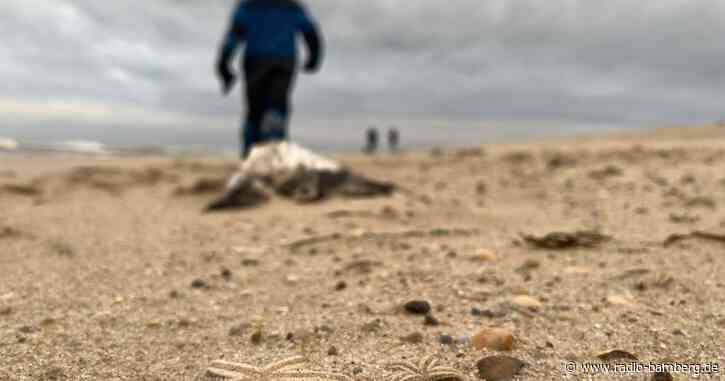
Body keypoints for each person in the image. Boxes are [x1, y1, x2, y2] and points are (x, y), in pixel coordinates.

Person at [216, 0, 323, 158]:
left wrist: (224, 64)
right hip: (284, 60)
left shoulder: (248, 6)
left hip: (255, 60)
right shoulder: (292, 7)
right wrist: (314, 56)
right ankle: (275, 147)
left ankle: (251, 152)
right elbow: (311, 33)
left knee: (255, 110)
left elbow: (233, 36)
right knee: (277, 105)